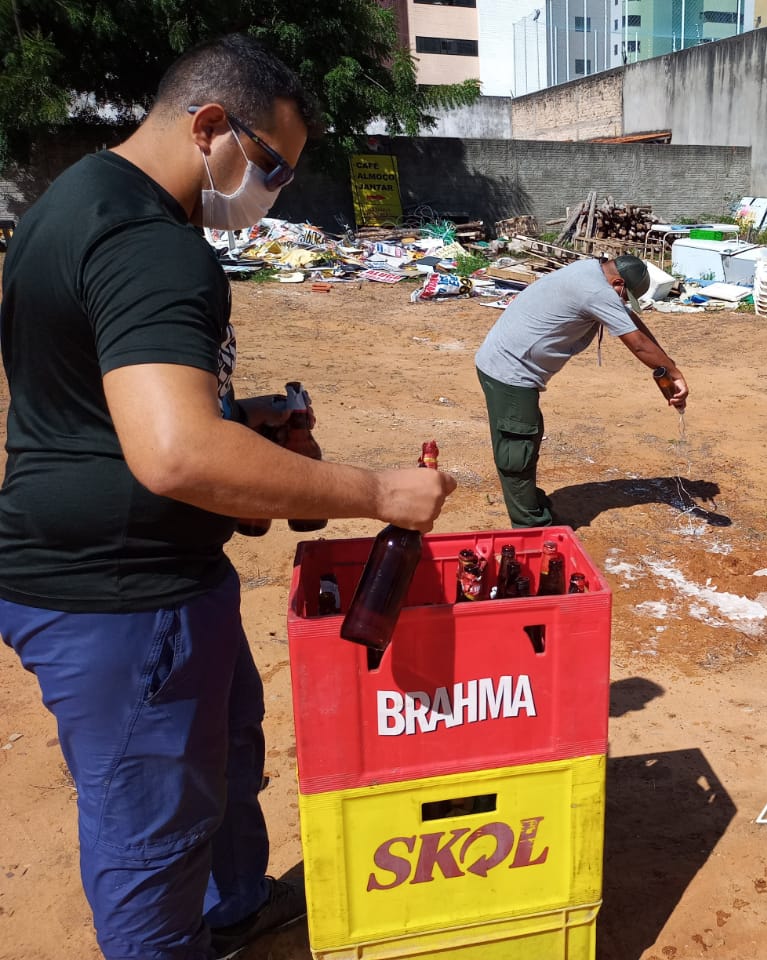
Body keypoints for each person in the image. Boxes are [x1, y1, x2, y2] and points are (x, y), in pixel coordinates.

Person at [0, 35, 456, 960]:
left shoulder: (72, 204)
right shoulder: (152, 244)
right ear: (210, 128)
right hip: (123, 598)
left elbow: (103, 396)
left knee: (223, 759)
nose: (272, 191)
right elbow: (174, 454)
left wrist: (241, 413)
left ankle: (237, 904)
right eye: (272, 165)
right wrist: (377, 493)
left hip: (142, 579)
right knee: (151, 836)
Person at [475, 255, 690, 527]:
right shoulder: (596, 291)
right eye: (624, 297)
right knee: (518, 448)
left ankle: (530, 502)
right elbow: (637, 344)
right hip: (509, 371)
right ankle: (530, 526)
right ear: (618, 282)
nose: (622, 304)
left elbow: (632, 323)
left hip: (507, 365)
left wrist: (668, 366)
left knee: (528, 434)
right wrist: (675, 373)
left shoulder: (591, 271)